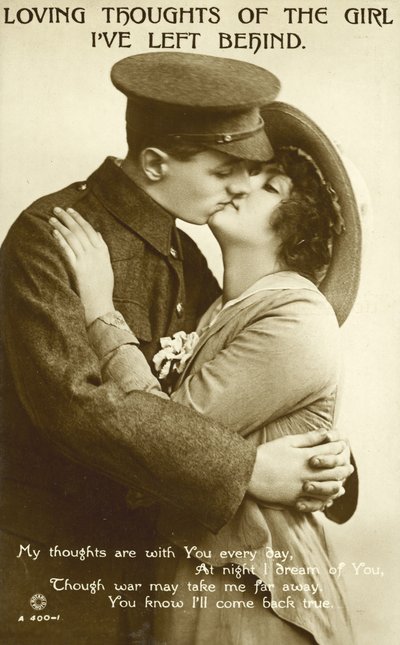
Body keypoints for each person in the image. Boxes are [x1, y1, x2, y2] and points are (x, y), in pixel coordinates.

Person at [0, 53, 355, 643]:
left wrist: (328, 464)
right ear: (157, 163)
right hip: (54, 570)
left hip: (159, 569)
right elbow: (75, 408)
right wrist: (248, 472)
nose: (240, 185)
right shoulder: (53, 236)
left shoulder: (185, 258)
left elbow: (239, 384)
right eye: (225, 171)